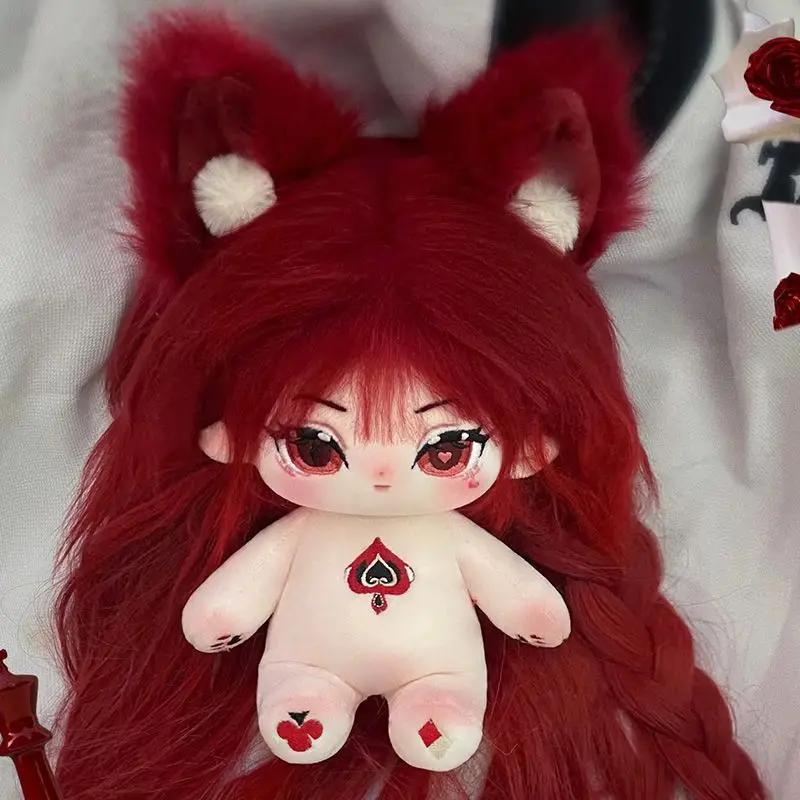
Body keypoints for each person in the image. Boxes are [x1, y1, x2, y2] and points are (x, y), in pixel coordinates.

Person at [0, 0, 797, 796]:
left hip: (441, 676)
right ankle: (313, 701)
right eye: (314, 444)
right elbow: (222, 608)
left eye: (446, 447)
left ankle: (430, 708)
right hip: (302, 671)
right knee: (305, 697)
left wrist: (533, 609)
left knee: (437, 709)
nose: (381, 473)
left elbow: (528, 601)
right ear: (227, 438)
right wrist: (221, 616)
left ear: (530, 450)